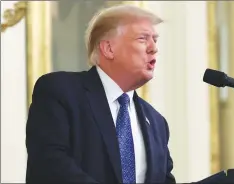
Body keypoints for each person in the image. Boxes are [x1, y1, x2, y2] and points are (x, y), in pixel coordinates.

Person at [25, 4, 175, 184]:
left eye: (155, 40)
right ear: (108, 48)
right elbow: (51, 166)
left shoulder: (157, 123)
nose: (153, 48)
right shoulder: (60, 92)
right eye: (143, 39)